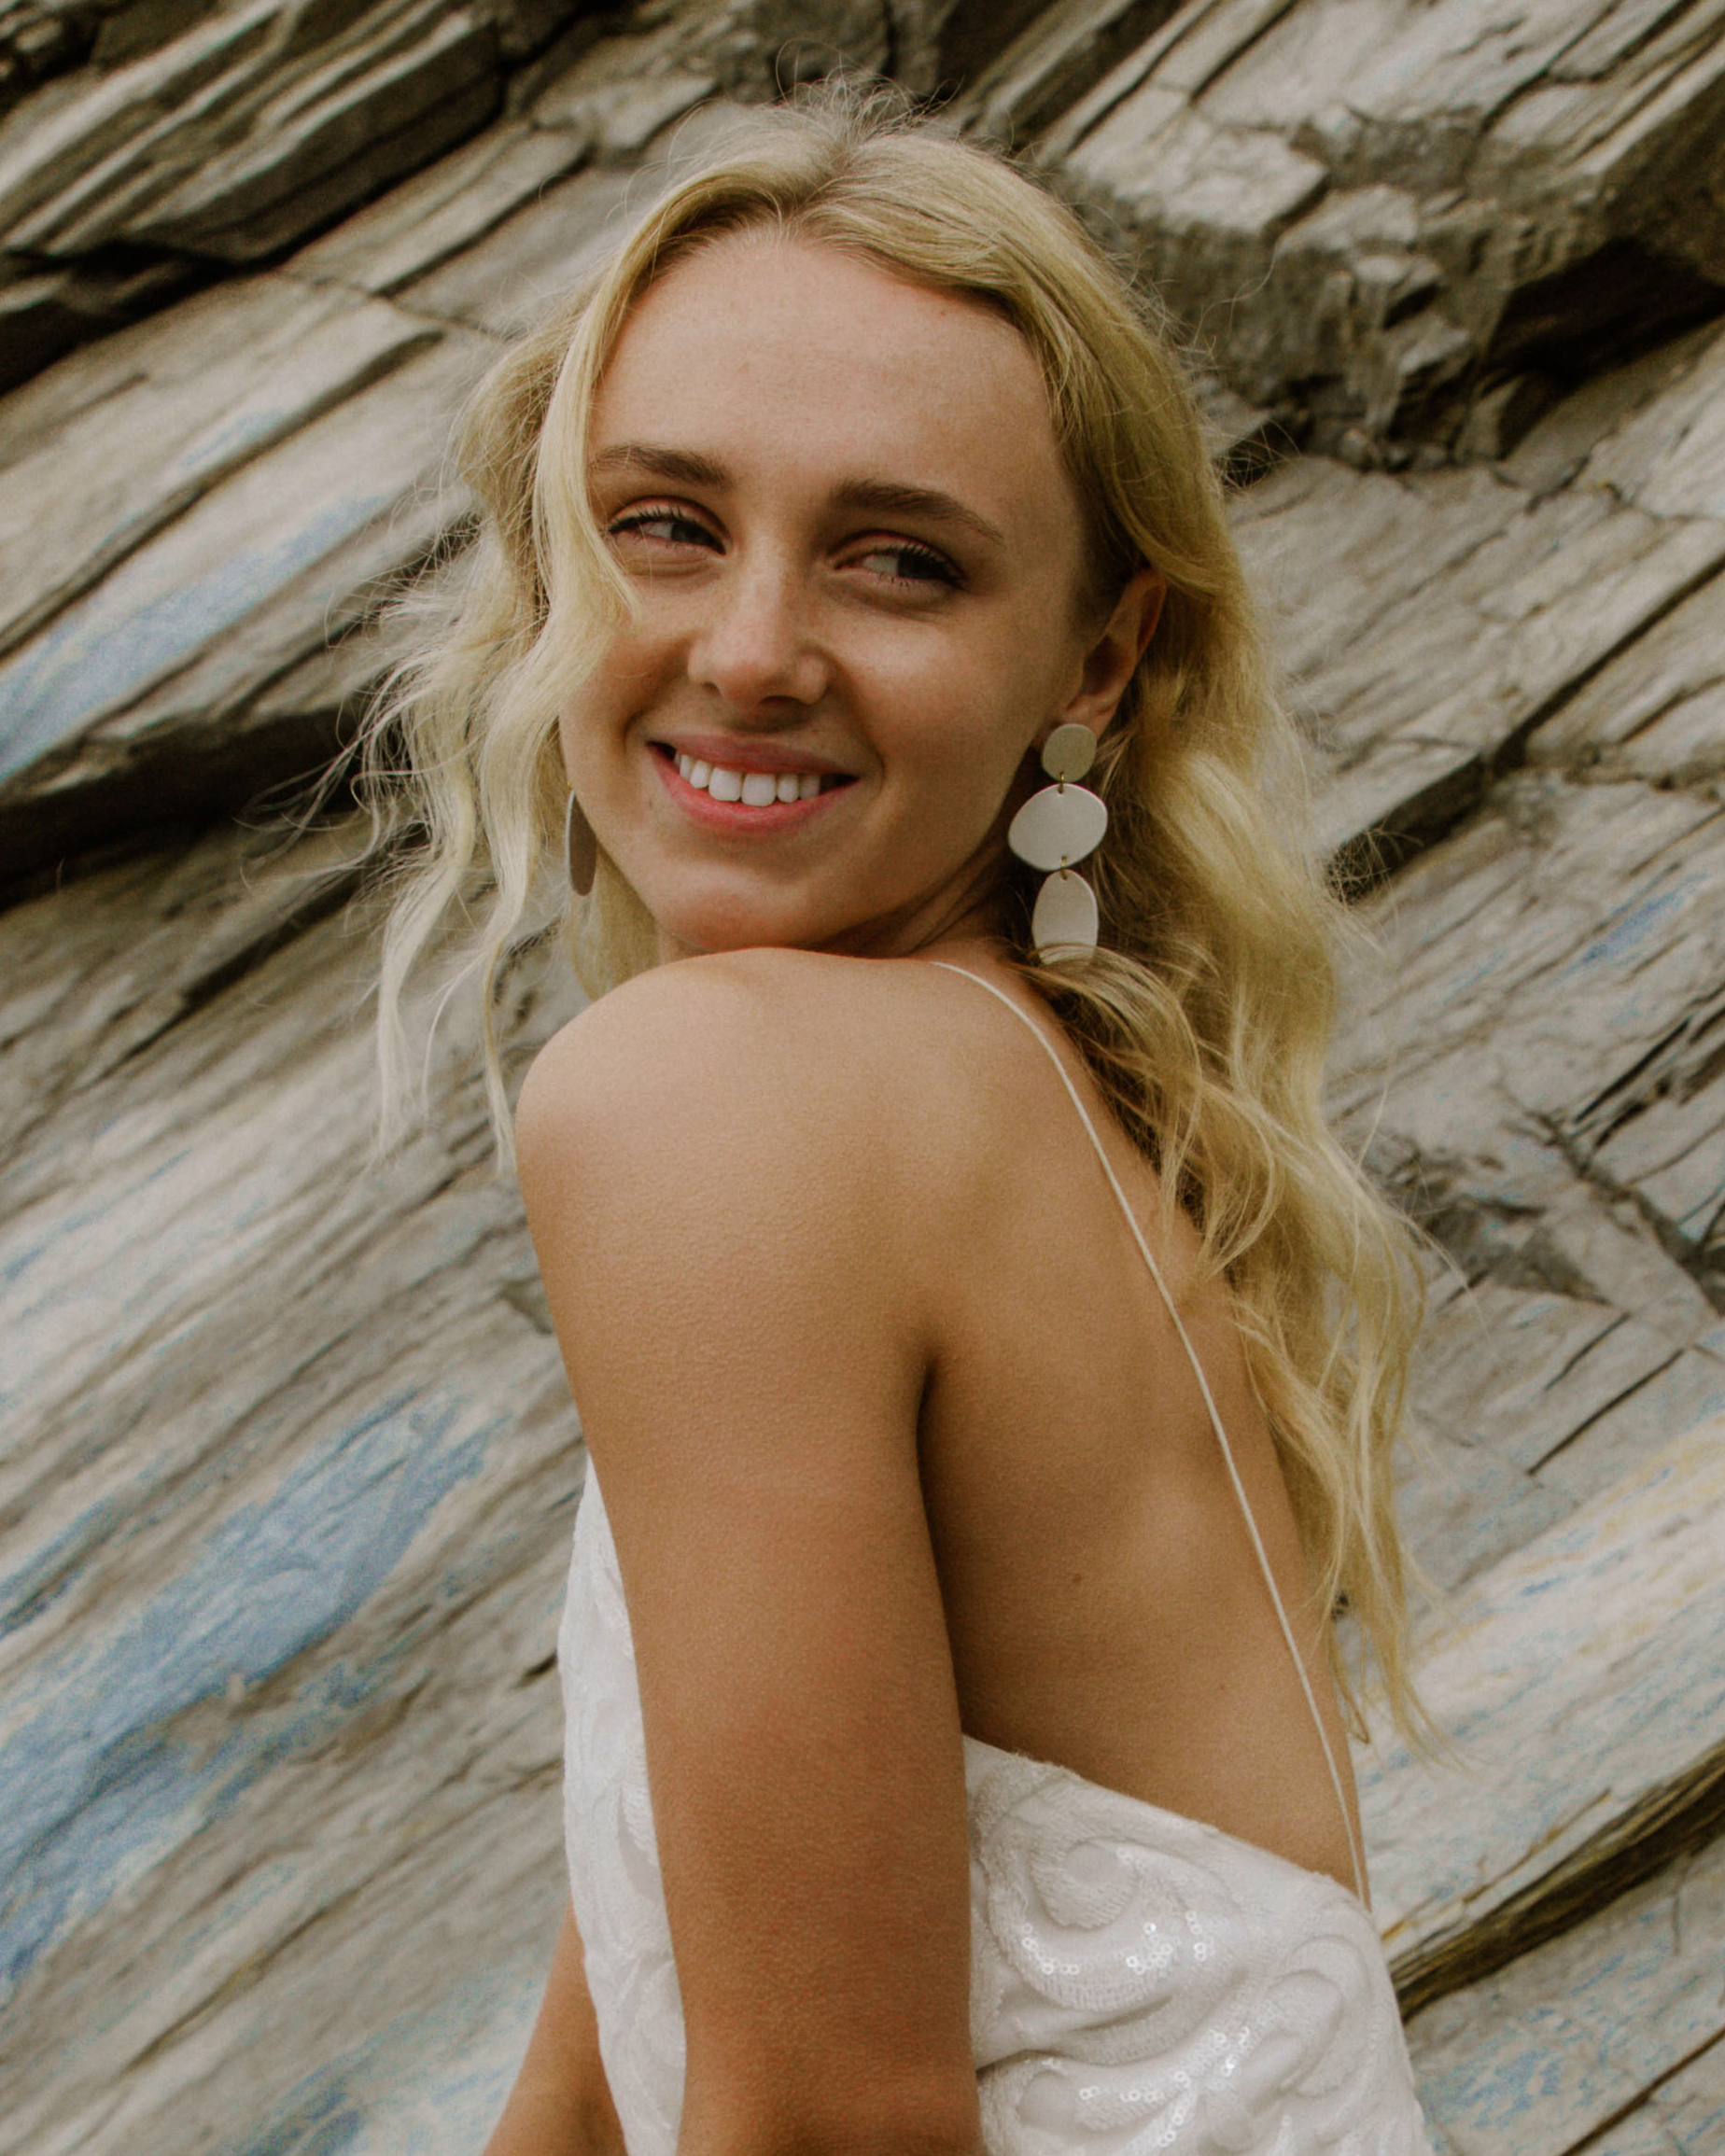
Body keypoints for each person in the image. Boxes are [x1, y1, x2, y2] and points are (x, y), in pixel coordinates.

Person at [360, 89, 1435, 2156]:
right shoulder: (1013, 1088)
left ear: (1095, 661)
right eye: (664, 524)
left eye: (899, 562)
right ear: (550, 563)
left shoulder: (723, 1094)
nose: (752, 651)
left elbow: (833, 2119)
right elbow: (630, 2003)